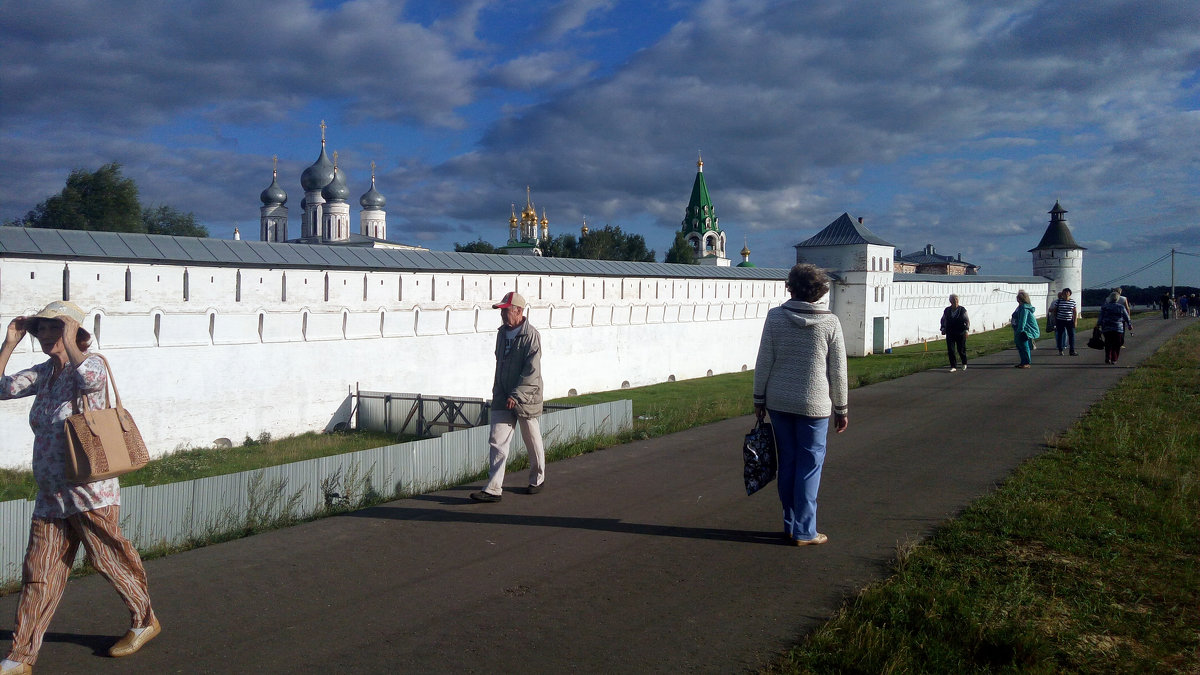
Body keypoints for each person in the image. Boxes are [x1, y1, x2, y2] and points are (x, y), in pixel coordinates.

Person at [0, 301, 159, 674]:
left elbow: (88, 380)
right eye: (40, 329)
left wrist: (71, 338)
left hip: (91, 491)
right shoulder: (43, 374)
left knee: (109, 560)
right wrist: (9, 342)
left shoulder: (92, 364)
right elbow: (2, 389)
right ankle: (21, 656)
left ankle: (144, 620)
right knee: (39, 571)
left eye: (54, 328)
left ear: (73, 330)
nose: (45, 336)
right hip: (52, 495)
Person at [753, 264, 849, 546]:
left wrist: (759, 399)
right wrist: (841, 409)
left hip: (779, 401)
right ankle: (805, 531)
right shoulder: (831, 322)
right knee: (809, 466)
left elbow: (764, 362)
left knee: (788, 464)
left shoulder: (775, 318)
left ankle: (791, 525)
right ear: (819, 291)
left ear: (791, 287)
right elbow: (838, 371)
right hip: (815, 405)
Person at [470, 291, 546, 502]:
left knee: (531, 438)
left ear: (519, 311)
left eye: (506, 311)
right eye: (501, 312)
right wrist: (499, 391)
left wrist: (517, 394)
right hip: (503, 394)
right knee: (497, 440)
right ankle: (493, 489)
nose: (502, 315)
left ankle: (538, 479)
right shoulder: (502, 333)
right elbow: (500, 364)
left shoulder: (531, 335)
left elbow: (532, 371)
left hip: (526, 395)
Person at [1098, 291, 1133, 364]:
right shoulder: (1121, 307)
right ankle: (1114, 358)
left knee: (1108, 343)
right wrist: (1129, 325)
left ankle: (1108, 356)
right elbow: (1126, 317)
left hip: (1106, 328)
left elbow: (1101, 317)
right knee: (1117, 344)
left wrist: (1098, 324)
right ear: (1117, 299)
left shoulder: (1104, 307)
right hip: (1118, 328)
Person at [939, 294, 970, 371]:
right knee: (951, 350)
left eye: (956, 300)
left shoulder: (962, 310)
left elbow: (967, 321)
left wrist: (966, 330)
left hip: (960, 332)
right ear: (950, 301)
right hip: (950, 332)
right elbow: (943, 320)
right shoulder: (947, 310)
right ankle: (953, 366)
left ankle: (964, 363)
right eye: (953, 300)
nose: (955, 301)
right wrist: (943, 328)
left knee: (961, 349)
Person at [1011, 289, 1040, 368]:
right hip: (1018, 329)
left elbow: (1022, 320)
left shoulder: (1024, 308)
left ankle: (1026, 362)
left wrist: (1020, 330)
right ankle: (1023, 361)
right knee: (1020, 346)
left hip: (1024, 330)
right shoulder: (1020, 307)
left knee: (1024, 346)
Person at [1052, 288, 1079, 356]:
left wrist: (1075, 321)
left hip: (1069, 321)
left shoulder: (1072, 302)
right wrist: (1055, 320)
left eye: (1067, 292)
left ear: (1070, 293)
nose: (1066, 294)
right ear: (1062, 294)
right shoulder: (1059, 301)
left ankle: (1072, 351)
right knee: (1060, 335)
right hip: (1060, 320)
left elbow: (1075, 311)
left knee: (1071, 335)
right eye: (1064, 292)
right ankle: (1060, 350)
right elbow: (1055, 311)